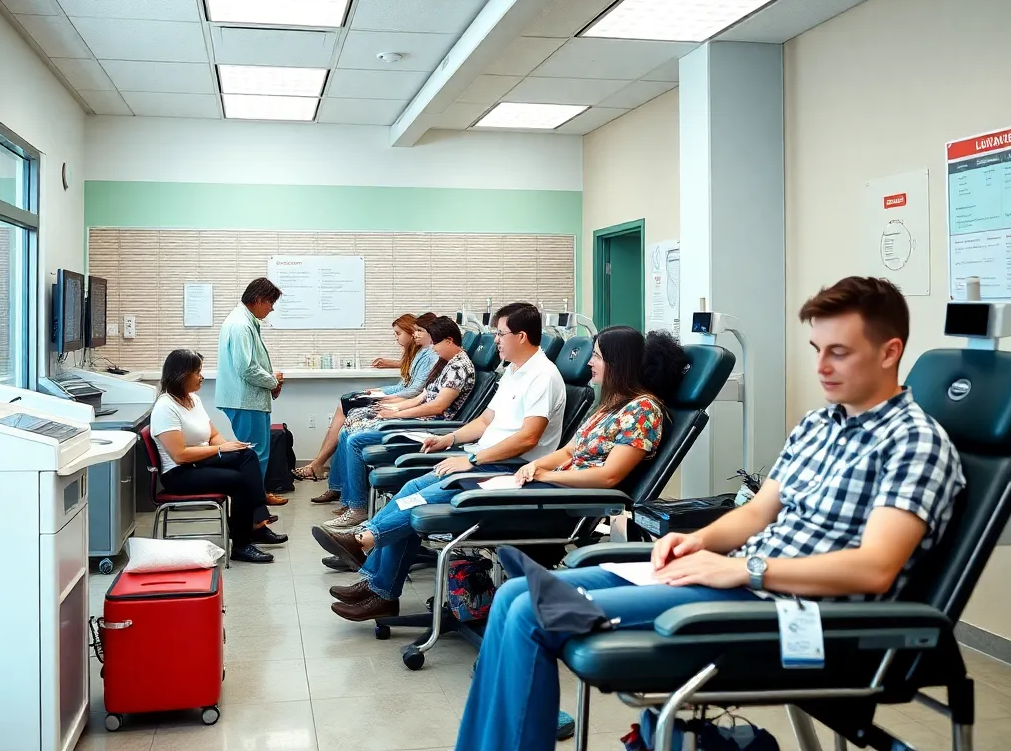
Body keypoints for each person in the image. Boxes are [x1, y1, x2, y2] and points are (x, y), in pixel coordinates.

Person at [454, 277, 966, 751]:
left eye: (839, 353)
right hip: (743, 583)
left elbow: (875, 568)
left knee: (529, 611)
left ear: (889, 352)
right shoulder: (818, 425)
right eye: (817, 351)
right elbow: (759, 511)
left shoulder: (913, 442)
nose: (822, 367)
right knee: (514, 597)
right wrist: (702, 542)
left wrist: (744, 568)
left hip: (799, 614)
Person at [310, 302, 567, 621]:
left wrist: (473, 458)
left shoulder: (543, 376)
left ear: (522, 336)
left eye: (500, 334)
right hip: (485, 461)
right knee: (413, 488)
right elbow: (486, 421)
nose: (496, 340)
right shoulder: (514, 372)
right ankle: (379, 586)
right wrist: (451, 440)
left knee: (422, 501)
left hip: (511, 471)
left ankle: (364, 543)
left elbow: (529, 438)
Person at [322, 316, 478, 530]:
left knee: (355, 441)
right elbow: (421, 397)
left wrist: (397, 416)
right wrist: (392, 408)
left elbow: (436, 407)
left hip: (430, 429)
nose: (432, 349)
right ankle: (350, 501)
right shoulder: (444, 363)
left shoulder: (459, 367)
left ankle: (357, 508)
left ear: (449, 340)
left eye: (435, 343)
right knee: (352, 426)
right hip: (418, 421)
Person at [150, 349, 289, 565]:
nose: (202, 377)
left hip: (200, 460)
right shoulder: (165, 407)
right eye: (197, 372)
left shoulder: (193, 400)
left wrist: (230, 447)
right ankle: (243, 542)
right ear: (181, 375)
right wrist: (221, 451)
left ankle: (257, 520)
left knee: (247, 455)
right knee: (239, 481)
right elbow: (179, 455)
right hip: (180, 473)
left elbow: (212, 434)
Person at [296, 313, 438, 484]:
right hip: (398, 400)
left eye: (399, 333)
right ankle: (326, 474)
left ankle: (320, 468)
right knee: (345, 407)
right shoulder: (419, 354)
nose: (415, 335)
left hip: (404, 406)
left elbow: (414, 390)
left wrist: (385, 399)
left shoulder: (429, 355)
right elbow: (404, 384)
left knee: (345, 419)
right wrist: (374, 391)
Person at [216, 277, 288, 509]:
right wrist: (272, 381)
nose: (271, 308)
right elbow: (246, 368)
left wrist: (271, 378)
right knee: (253, 456)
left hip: (250, 399)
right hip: (245, 400)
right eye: (270, 303)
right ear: (258, 300)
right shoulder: (240, 325)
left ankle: (259, 497)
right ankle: (254, 509)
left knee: (258, 454)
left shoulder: (246, 321)